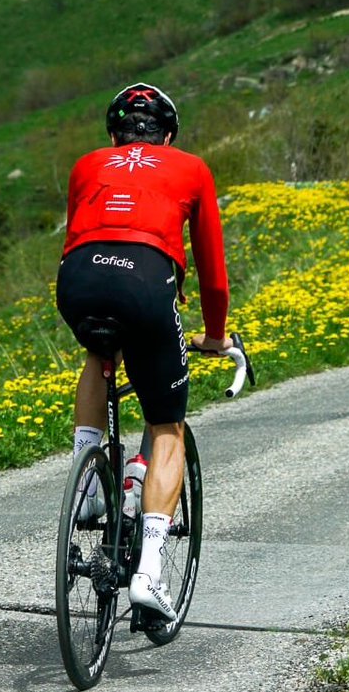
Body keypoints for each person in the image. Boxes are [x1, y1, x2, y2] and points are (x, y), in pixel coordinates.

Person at [56, 82, 231, 620]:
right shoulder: (191, 168)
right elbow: (214, 276)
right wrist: (217, 334)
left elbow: (81, 232)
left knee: (97, 354)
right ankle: (150, 574)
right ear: (170, 136)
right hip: (146, 282)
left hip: (79, 282)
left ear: (113, 136)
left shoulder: (88, 164)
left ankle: (88, 480)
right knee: (167, 428)